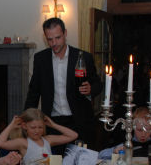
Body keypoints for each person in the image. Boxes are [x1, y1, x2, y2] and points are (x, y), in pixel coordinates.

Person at [24, 17, 102, 150]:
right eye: (50, 39)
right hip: (52, 123)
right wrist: (26, 119)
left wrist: (91, 89)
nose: (54, 43)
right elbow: (34, 92)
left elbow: (98, 84)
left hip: (79, 121)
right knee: (54, 161)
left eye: (58, 38)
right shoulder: (40, 59)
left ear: (65, 34)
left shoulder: (83, 57)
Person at [0, 108, 78, 163]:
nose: (37, 131)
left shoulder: (48, 140)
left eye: (40, 127)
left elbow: (73, 135)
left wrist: (53, 125)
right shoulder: (23, 142)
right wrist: (11, 125)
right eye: (33, 127)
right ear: (24, 126)